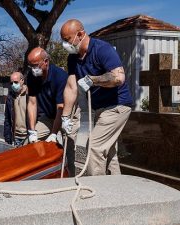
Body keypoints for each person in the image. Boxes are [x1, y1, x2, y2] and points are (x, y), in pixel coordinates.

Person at [60, 19, 133, 176]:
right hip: (98, 108)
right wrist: (65, 117)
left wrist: (93, 80)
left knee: (94, 147)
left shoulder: (102, 49)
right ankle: (120, 190)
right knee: (109, 151)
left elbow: (118, 77)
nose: (64, 45)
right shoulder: (73, 58)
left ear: (80, 34)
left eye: (67, 40)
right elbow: (71, 87)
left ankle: (98, 193)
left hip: (116, 105)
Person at [26, 47, 80, 176]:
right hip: (48, 115)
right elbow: (32, 103)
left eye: (36, 65)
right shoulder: (32, 77)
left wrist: (54, 133)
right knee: (31, 143)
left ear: (46, 61)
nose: (33, 69)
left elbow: (61, 108)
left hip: (67, 114)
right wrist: (32, 130)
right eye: (31, 66)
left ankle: (70, 177)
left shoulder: (60, 77)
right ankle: (42, 174)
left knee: (68, 147)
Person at [4, 71, 28, 147]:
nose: (13, 85)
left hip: (29, 136)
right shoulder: (10, 97)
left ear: (22, 80)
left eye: (16, 82)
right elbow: (7, 118)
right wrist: (8, 137)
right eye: (11, 83)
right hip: (16, 137)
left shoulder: (30, 95)